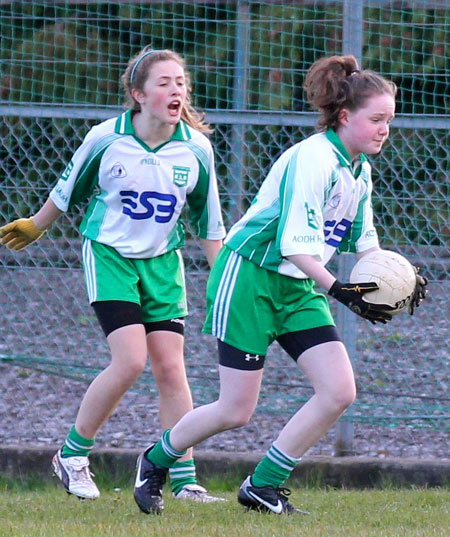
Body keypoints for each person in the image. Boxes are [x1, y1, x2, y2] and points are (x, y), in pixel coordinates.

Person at [130, 54, 428, 515]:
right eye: (377, 119)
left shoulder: (357, 170)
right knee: (235, 410)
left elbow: (367, 247)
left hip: (298, 286)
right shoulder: (314, 158)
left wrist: (400, 277)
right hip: (251, 278)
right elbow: (294, 245)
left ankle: (262, 486)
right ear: (345, 116)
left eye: (389, 119)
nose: (385, 128)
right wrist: (341, 291)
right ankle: (154, 460)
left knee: (338, 391)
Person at [0, 47, 227, 505]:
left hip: (163, 263)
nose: (175, 90)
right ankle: (73, 455)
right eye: (163, 82)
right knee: (130, 362)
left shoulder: (196, 149)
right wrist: (35, 225)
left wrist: (226, 278)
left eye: (180, 82)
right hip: (110, 257)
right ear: (138, 94)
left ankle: (181, 479)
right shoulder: (107, 139)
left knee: (170, 368)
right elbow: (65, 192)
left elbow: (209, 226)